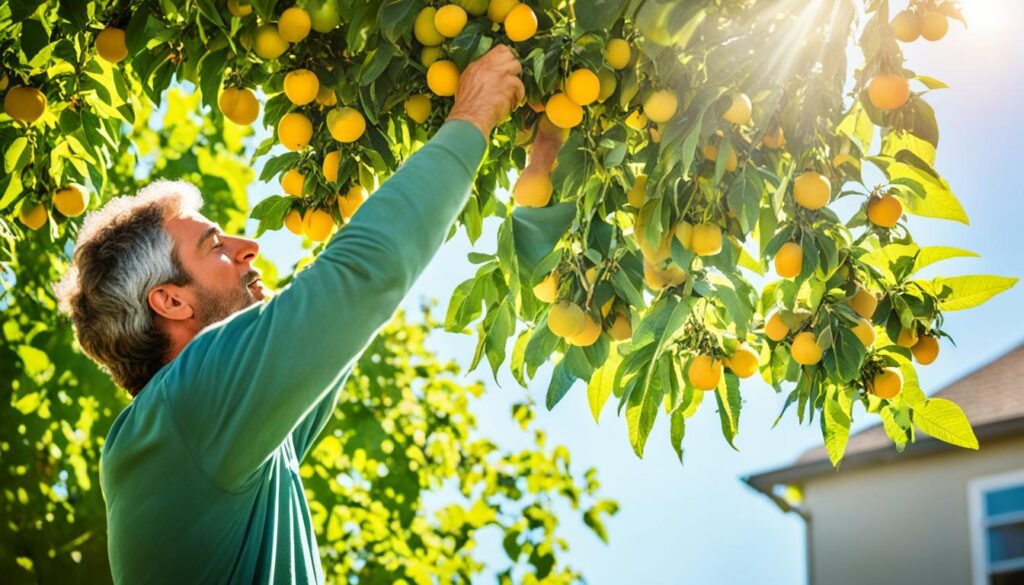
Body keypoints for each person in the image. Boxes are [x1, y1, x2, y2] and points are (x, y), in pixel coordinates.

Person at [53, 45, 524, 583]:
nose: (248, 245)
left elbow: (343, 324)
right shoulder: (188, 408)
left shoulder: (231, 441)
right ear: (171, 300)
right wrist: (471, 118)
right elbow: (355, 283)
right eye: (214, 246)